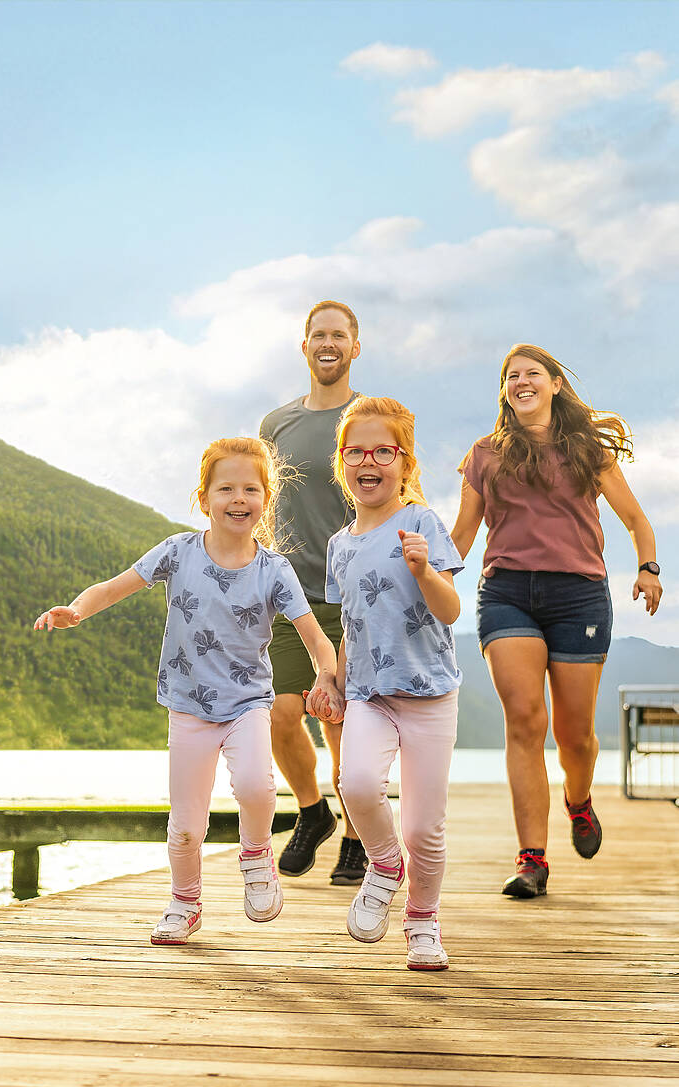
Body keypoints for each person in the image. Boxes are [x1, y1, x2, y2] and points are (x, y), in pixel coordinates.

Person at [34, 436, 342, 944]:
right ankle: (185, 902)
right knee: (184, 824)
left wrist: (327, 677)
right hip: (189, 708)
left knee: (257, 787)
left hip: (247, 702)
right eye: (226, 489)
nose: (238, 499)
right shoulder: (177, 552)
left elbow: (315, 639)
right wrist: (78, 610)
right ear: (203, 499)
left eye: (250, 488)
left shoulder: (274, 570)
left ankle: (256, 855)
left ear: (265, 499)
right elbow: (113, 587)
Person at [451, 344, 663, 899]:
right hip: (507, 593)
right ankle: (532, 860)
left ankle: (580, 799)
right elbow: (463, 537)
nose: (521, 381)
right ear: (505, 392)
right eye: (511, 376)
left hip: (580, 597)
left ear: (554, 386)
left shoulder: (588, 449)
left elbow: (638, 520)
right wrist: (422, 574)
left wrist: (648, 568)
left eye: (532, 374)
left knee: (577, 737)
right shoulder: (485, 454)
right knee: (524, 720)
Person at [309, 395, 463, 971]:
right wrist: (333, 680)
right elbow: (354, 624)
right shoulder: (339, 545)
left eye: (383, 451)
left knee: (425, 825)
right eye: (356, 451)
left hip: (429, 695)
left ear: (404, 462)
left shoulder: (420, 522)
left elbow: (448, 612)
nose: (368, 460)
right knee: (356, 784)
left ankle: (423, 921)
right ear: (342, 463)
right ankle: (383, 863)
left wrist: (424, 569)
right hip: (371, 695)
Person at [260, 300, 367, 885]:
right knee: (280, 714)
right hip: (288, 593)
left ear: (355, 347)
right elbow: (266, 505)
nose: (328, 344)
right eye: (318, 335)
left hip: (352, 594)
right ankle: (312, 811)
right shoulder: (275, 425)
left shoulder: (371, 417)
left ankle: (357, 835)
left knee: (342, 719)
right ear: (305, 348)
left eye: (339, 335)